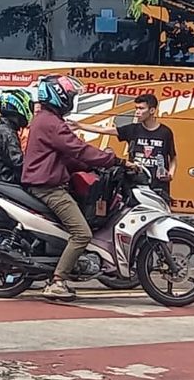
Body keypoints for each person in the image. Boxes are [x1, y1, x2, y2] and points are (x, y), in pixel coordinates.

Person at [23, 75, 126, 302]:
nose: (71, 100)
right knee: (82, 233)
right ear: (58, 96)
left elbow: (70, 157)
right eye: (70, 96)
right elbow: (79, 149)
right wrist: (113, 160)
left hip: (45, 182)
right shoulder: (52, 123)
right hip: (48, 188)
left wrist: (91, 166)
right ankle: (57, 281)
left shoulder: (46, 120)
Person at [72, 93, 176, 197]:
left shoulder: (165, 132)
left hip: (159, 186)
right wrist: (79, 125)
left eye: (141, 108)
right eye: (136, 108)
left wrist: (170, 175)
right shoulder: (133, 129)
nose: (137, 112)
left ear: (152, 110)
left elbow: (173, 157)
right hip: (135, 185)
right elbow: (104, 130)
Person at [0, 89, 32, 185]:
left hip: (4, 179)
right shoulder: (7, 133)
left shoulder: (5, 129)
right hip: (9, 181)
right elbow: (18, 162)